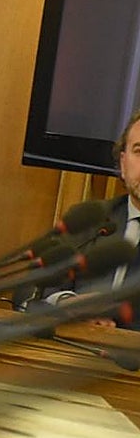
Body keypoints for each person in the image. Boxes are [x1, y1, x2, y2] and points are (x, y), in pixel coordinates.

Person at [44, 110, 140, 329]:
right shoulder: (92, 221)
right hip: (74, 352)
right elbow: (32, 290)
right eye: (139, 151)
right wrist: (69, 304)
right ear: (123, 163)